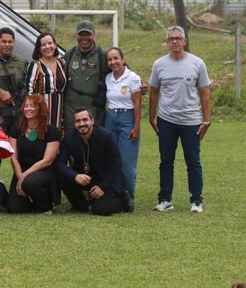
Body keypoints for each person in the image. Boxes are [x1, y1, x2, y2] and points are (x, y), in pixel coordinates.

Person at [148, 25, 212, 213]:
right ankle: (165, 200)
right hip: (166, 120)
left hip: (191, 121)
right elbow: (153, 92)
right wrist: (152, 117)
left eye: (178, 38)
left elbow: (205, 93)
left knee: (193, 161)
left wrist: (206, 121)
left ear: (184, 41)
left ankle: (196, 201)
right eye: (171, 39)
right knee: (166, 161)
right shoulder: (159, 64)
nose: (174, 41)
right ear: (167, 42)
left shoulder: (197, 63)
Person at [55, 107, 126, 216]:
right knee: (63, 177)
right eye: (78, 121)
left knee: (100, 210)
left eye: (85, 120)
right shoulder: (69, 138)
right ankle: (80, 205)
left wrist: (102, 187)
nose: (82, 124)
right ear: (74, 124)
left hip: (104, 177)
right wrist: (75, 176)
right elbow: (60, 163)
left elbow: (116, 163)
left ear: (92, 121)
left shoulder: (106, 136)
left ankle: (122, 200)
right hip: (83, 176)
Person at [6, 95, 61, 214]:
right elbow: (13, 157)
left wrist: (23, 177)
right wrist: (20, 176)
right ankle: (32, 201)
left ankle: (47, 207)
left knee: (29, 183)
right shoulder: (16, 129)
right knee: (15, 209)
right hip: (21, 170)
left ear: (40, 109)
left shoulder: (52, 131)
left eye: (32, 106)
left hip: (43, 171)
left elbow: (48, 160)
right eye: (26, 106)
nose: (28, 109)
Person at [104, 47, 142, 211]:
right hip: (111, 118)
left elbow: (137, 103)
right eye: (110, 60)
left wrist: (136, 127)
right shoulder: (108, 78)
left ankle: (129, 198)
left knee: (126, 162)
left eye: (116, 58)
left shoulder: (133, 78)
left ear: (123, 59)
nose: (113, 62)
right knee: (110, 159)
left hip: (128, 118)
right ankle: (114, 194)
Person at [63, 20, 109, 131]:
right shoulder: (69, 54)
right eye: (81, 34)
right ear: (76, 35)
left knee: (94, 141)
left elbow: (121, 72)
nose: (84, 38)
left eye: (88, 34)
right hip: (71, 110)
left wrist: (138, 85)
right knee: (72, 141)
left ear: (94, 34)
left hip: (93, 109)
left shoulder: (102, 55)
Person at [25, 32, 67, 129]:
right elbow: (29, 92)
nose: (47, 47)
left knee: (56, 137)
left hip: (59, 112)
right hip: (40, 111)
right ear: (39, 48)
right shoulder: (35, 65)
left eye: (50, 43)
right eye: (43, 45)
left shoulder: (62, 63)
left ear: (55, 45)